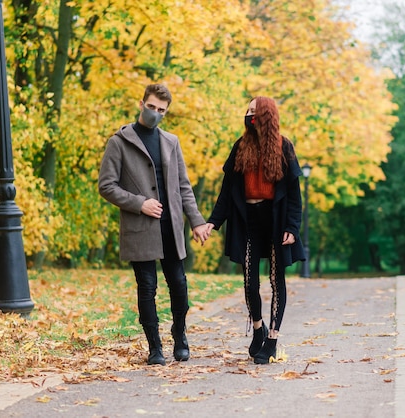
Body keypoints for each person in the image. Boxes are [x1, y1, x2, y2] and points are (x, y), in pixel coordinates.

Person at [98, 84, 209, 366]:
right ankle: (155, 346)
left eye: (162, 110)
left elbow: (184, 186)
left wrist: (196, 221)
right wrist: (140, 203)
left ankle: (179, 334)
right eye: (152, 107)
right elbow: (106, 186)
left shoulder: (171, 141)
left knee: (179, 285)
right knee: (147, 287)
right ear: (141, 104)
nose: (155, 113)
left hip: (171, 226)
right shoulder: (119, 142)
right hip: (140, 227)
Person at [204, 96, 305, 364]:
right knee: (249, 281)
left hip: (275, 221)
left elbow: (294, 196)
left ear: (267, 115)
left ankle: (272, 339)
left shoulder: (285, 147)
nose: (249, 117)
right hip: (247, 220)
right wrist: (213, 221)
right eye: (247, 112)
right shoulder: (240, 147)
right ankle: (258, 328)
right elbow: (226, 193)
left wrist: (292, 227)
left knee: (275, 280)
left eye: (254, 112)